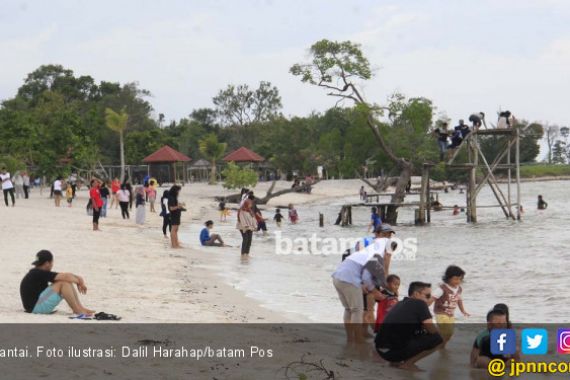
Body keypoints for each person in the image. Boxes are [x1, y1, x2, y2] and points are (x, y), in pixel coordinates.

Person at [332, 225, 395, 343]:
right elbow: (365, 271)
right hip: (354, 279)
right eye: (385, 234)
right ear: (377, 234)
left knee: (353, 309)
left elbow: (381, 269)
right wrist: (372, 289)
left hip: (341, 276)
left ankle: (354, 338)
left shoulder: (378, 247)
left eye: (389, 235)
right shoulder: (367, 244)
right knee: (358, 310)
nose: (388, 237)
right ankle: (358, 339)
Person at [375, 282, 443, 371]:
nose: (429, 298)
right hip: (391, 354)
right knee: (437, 339)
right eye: (427, 295)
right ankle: (408, 364)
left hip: (381, 350)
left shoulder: (400, 303)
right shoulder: (420, 304)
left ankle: (396, 362)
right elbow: (432, 330)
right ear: (416, 294)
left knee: (416, 331)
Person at [20, 250, 95, 317]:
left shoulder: (37, 272)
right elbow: (66, 277)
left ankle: (80, 308)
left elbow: (65, 276)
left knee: (64, 281)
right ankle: (77, 310)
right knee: (63, 283)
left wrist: (79, 279)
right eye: (52, 262)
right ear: (47, 263)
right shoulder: (39, 273)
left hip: (35, 306)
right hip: (36, 308)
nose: (52, 264)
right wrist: (80, 282)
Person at [432, 265, 470, 348]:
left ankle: (441, 345)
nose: (458, 281)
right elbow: (433, 298)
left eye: (460, 279)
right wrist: (424, 306)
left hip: (450, 314)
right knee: (446, 330)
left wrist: (463, 311)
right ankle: (434, 337)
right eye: (456, 279)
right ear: (448, 278)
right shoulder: (442, 289)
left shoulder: (459, 289)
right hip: (440, 313)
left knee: (450, 333)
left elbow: (459, 300)